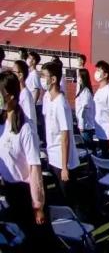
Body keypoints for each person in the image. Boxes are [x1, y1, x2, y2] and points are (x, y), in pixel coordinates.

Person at [0, 71, 54, 248]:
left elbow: (34, 168)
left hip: (26, 193)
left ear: (10, 96)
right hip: (10, 189)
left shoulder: (25, 128)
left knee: (38, 240)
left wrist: (38, 204)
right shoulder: (2, 124)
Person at [40, 61, 80, 206]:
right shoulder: (46, 97)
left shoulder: (61, 103)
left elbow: (65, 136)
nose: (41, 79)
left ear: (53, 79)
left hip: (63, 159)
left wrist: (64, 167)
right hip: (52, 155)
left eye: (44, 76)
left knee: (68, 198)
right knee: (58, 196)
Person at [92, 61, 109, 158]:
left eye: (99, 70)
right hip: (101, 133)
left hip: (108, 135)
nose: (96, 72)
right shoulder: (99, 90)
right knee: (104, 160)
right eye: (96, 70)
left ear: (106, 75)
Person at [13, 60, 37, 136]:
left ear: (20, 75)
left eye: (14, 72)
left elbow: (30, 119)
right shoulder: (17, 93)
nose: (11, 75)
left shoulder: (26, 95)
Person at [75, 68, 96, 152]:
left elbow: (84, 110)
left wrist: (82, 125)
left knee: (89, 147)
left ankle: (93, 158)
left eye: (79, 76)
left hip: (85, 125)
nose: (77, 79)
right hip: (83, 124)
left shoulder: (86, 92)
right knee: (87, 146)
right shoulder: (81, 90)